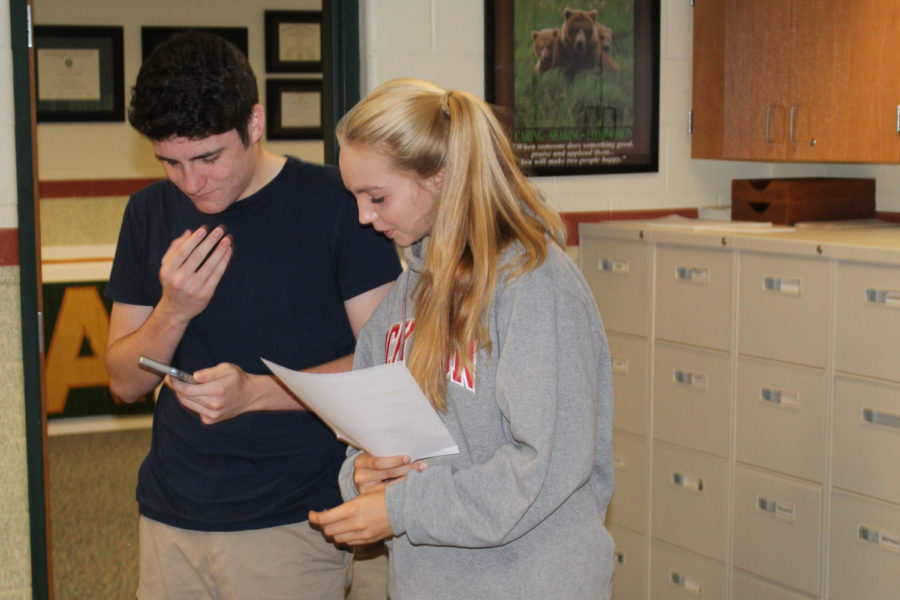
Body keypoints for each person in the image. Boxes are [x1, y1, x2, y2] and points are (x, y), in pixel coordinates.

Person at [104, 31, 402, 599]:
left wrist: (257, 393)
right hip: (171, 511)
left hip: (294, 516)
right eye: (170, 161)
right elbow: (123, 382)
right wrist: (174, 309)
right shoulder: (147, 212)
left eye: (208, 157)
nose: (191, 183)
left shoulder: (338, 203)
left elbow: (387, 369)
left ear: (255, 123)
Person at [309, 78, 615, 599]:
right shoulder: (401, 299)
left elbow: (543, 468)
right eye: (356, 198)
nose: (364, 216)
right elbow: (368, 439)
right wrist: (362, 475)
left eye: (377, 197)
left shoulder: (534, 284)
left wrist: (400, 508)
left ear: (439, 176)